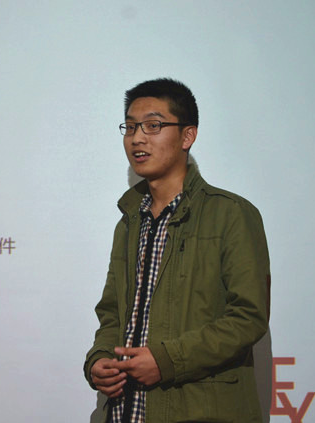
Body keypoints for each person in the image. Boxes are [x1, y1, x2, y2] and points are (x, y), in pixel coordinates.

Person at [84, 78, 270, 422]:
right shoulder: (129, 222)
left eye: (153, 126)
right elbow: (112, 314)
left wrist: (167, 361)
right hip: (125, 412)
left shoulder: (231, 214)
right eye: (130, 127)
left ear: (187, 136)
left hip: (199, 410)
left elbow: (247, 317)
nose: (137, 138)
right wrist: (99, 359)